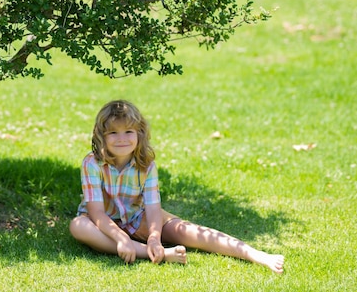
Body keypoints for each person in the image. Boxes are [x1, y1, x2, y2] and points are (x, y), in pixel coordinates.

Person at [69, 100, 285, 273]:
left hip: (138, 217)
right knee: (78, 226)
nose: (122, 138)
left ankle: (255, 255)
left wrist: (154, 236)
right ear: (101, 137)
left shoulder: (146, 164)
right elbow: (97, 213)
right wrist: (121, 238)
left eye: (128, 132)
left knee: (188, 231)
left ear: (139, 134)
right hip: (102, 225)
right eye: (113, 133)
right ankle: (154, 253)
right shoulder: (92, 163)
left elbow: (153, 208)